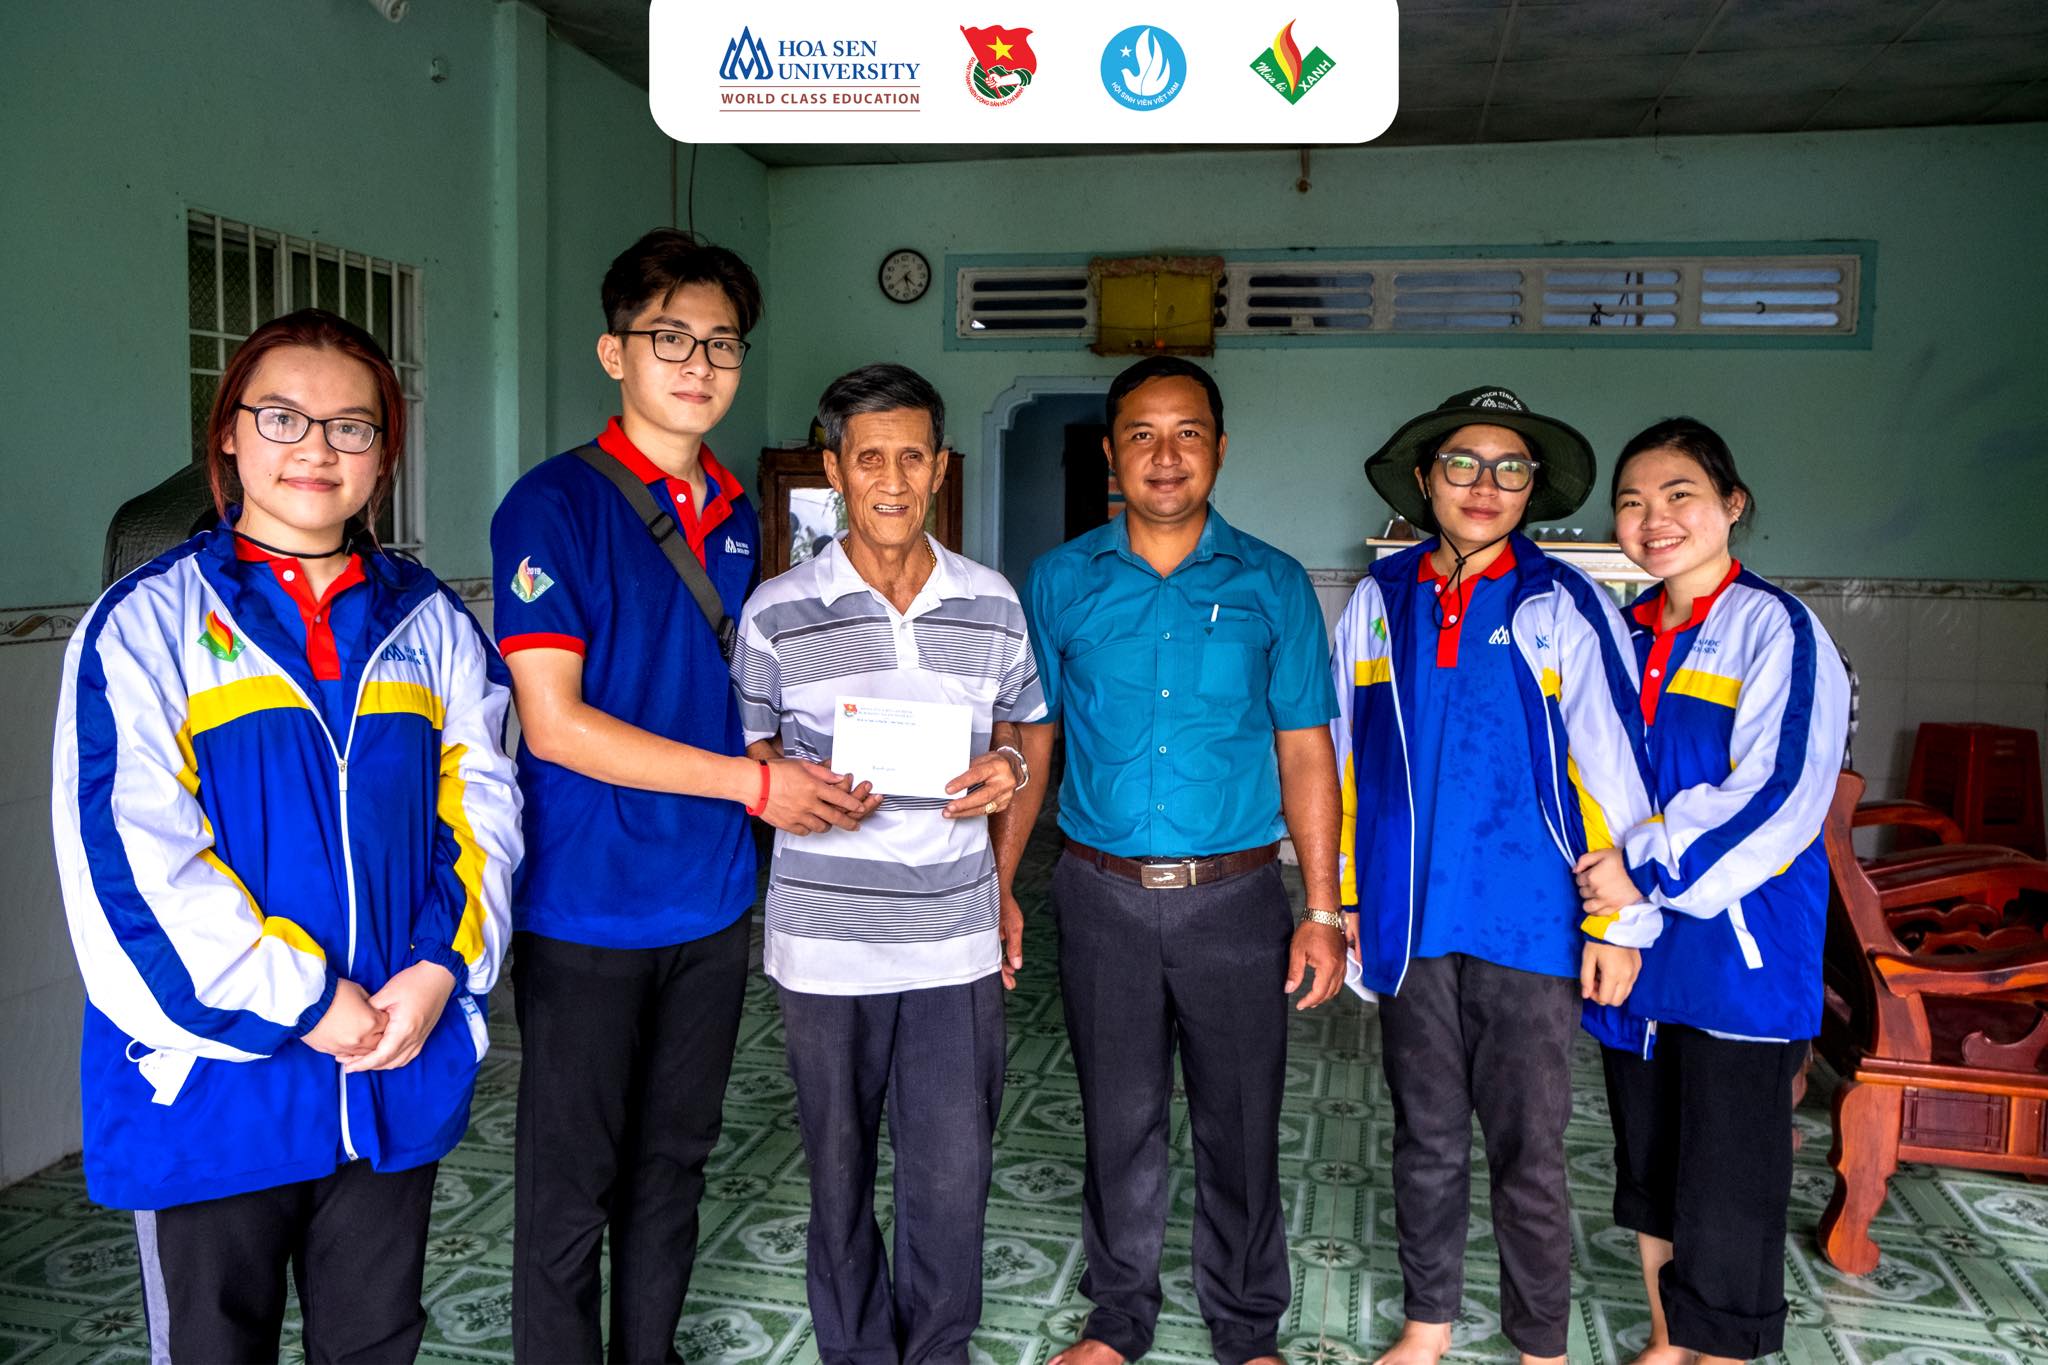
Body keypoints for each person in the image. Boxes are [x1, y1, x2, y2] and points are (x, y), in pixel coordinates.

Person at [51, 307, 521, 1362]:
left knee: (376, 1340)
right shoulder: (146, 625)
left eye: (352, 425)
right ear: (228, 432)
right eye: (282, 417)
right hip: (215, 1087)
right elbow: (132, 867)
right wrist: (307, 1000)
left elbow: (486, 812)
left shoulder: (432, 624)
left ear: (383, 454)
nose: (316, 447)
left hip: (389, 1062)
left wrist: (440, 970)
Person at [491, 229, 875, 1362]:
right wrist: (757, 784)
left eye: (721, 342)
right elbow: (554, 724)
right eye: (670, 337)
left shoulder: (739, 511)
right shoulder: (552, 505)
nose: (698, 362)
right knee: (571, 1185)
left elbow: (730, 688)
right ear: (615, 352)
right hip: (587, 904)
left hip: (708, 900)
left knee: (672, 1164)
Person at [1004, 355, 1345, 1365]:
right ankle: (1118, 1320)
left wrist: (1322, 909)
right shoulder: (1059, 581)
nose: (1164, 455)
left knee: (1240, 1121)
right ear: (1111, 454)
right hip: (1099, 893)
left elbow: (1305, 750)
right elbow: (1030, 744)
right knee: (1118, 1121)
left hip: (1236, 901)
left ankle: (1246, 1327)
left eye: (1187, 432)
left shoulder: (1272, 583)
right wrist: (996, 883)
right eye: (1141, 435)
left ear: (1219, 449)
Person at [1333, 386, 1658, 1365]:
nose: (1485, 485)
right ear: (1424, 480)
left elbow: (1614, 767)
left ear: (1531, 489)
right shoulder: (1378, 601)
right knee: (1425, 1137)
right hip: (1410, 922)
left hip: (1533, 923)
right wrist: (1343, 900)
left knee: (1529, 1151)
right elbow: (1347, 763)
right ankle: (1427, 1325)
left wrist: (1619, 923)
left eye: (1509, 467)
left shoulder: (1563, 603)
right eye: (1462, 464)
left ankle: (1539, 1345)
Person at [732, 363, 1044, 1365]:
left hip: (952, 937)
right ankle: (857, 1350)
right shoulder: (777, 609)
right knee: (838, 1170)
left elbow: (1023, 731)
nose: (893, 479)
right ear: (834, 471)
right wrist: (790, 784)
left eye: (912, 456)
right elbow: (750, 751)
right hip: (825, 943)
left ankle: (937, 1348)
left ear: (941, 467)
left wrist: (1005, 771)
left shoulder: (990, 602)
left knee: (952, 1172)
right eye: (870, 458)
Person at [1575, 418, 1849, 1365]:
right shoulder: (1618, 636)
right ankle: (1669, 1338)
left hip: (1740, 950)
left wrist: (1644, 868)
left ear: (1733, 504)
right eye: (1632, 501)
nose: (1653, 518)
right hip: (1637, 948)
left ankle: (1723, 1353)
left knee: (1731, 1175)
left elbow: (1782, 792)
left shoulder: (1776, 628)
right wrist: (1611, 910)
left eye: (1678, 494)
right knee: (1652, 1160)